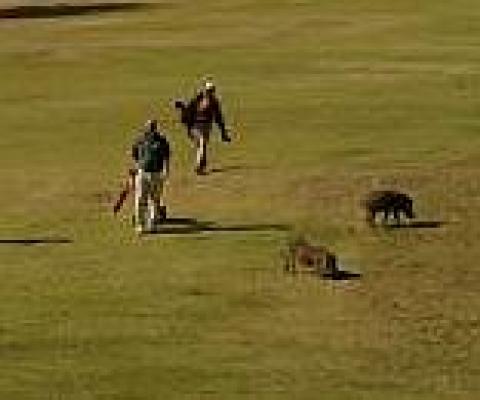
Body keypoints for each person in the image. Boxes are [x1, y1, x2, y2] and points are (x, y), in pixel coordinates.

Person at [175, 78, 231, 175]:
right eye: (208, 90)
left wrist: (223, 132)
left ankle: (199, 166)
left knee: (202, 145)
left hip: (205, 126)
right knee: (201, 145)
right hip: (195, 127)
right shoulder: (197, 99)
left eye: (211, 90)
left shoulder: (214, 102)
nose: (209, 92)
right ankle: (201, 165)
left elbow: (218, 117)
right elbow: (189, 111)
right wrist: (182, 106)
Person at [131, 119, 170, 234]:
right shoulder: (140, 140)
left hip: (157, 173)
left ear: (155, 128)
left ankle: (152, 223)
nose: (150, 129)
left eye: (152, 127)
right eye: (148, 127)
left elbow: (166, 157)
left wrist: (166, 170)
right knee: (140, 199)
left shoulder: (162, 141)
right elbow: (135, 154)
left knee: (155, 199)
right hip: (143, 173)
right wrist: (137, 167)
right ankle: (140, 225)